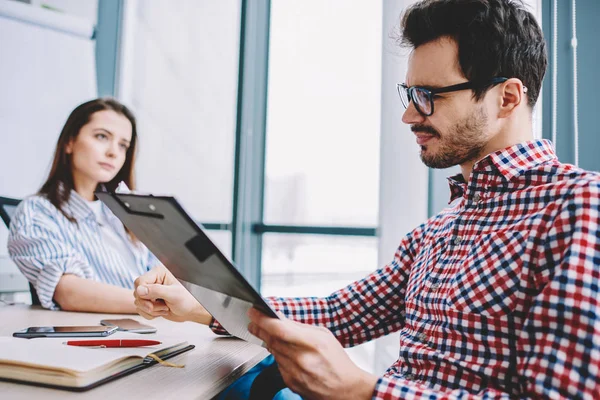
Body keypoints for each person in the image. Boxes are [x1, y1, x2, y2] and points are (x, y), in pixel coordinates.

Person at [132, 0, 600, 398]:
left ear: (508, 98)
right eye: (409, 94)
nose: (408, 115)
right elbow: (338, 314)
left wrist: (363, 391)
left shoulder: (579, 207)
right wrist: (201, 304)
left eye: (428, 96)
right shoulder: (439, 230)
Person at [8, 98, 164, 313]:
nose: (113, 152)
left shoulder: (126, 213)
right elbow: (68, 292)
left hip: (157, 329)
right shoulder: (37, 211)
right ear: (69, 142)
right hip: (97, 337)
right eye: (102, 136)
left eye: (123, 145)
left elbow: (164, 271)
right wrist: (157, 304)